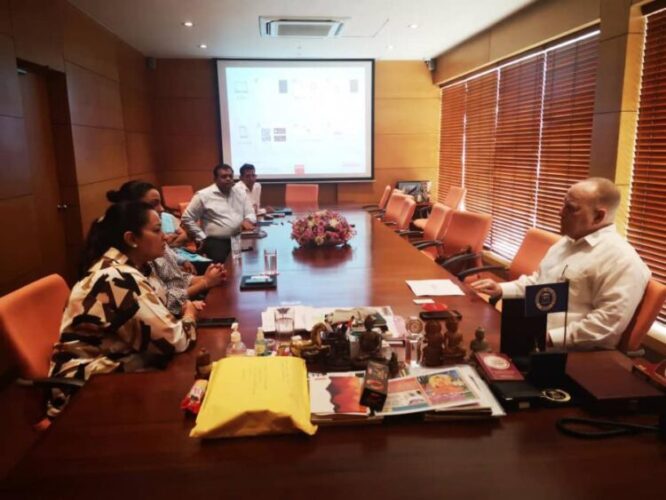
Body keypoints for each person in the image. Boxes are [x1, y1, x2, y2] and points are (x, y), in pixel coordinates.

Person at [48, 201, 199, 418]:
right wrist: (190, 315)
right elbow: (174, 341)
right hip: (86, 390)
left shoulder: (131, 268)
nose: (165, 237)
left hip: (115, 371)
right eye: (157, 230)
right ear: (131, 239)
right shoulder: (117, 278)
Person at [472, 177, 651, 350]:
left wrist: (549, 338)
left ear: (598, 216)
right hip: (532, 331)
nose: (560, 212)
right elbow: (540, 283)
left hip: (569, 352)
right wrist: (501, 289)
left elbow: (606, 325)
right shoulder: (567, 242)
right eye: (563, 204)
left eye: (571, 208)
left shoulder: (621, 260)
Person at [107, 181, 226, 316]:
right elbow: (167, 304)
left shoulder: (150, 247)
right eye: (157, 230)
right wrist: (204, 284)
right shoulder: (136, 261)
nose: (164, 237)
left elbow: (177, 280)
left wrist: (209, 278)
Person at [181, 164, 256, 262]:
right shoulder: (203, 195)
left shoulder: (240, 193)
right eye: (224, 176)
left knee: (251, 260)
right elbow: (187, 218)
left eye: (230, 176)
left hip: (239, 238)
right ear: (215, 179)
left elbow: (251, 213)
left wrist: (248, 220)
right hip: (216, 242)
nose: (228, 179)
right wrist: (201, 237)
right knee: (224, 266)